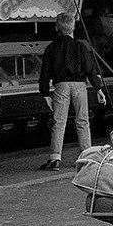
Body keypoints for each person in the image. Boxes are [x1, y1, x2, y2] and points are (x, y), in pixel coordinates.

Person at [38, 12, 106, 170]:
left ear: (57, 28)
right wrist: (98, 88)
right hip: (80, 86)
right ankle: (87, 157)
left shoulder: (51, 48)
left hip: (61, 86)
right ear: (73, 27)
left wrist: (45, 93)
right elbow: (90, 69)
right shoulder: (81, 46)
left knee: (58, 122)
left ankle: (55, 158)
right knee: (83, 121)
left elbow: (45, 73)